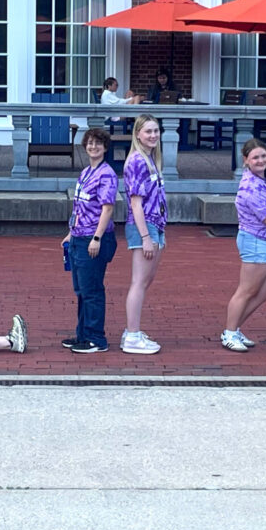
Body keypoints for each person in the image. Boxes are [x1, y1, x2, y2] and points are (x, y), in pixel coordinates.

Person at [220, 137, 266, 352]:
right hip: (256, 241)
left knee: (265, 291)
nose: (261, 160)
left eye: (263, 156)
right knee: (246, 290)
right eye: (255, 157)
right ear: (246, 160)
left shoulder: (262, 181)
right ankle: (229, 331)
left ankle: (234, 327)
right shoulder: (250, 187)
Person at [63, 126, 119, 353]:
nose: (93, 147)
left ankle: (97, 338)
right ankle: (83, 334)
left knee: (92, 290)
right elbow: (78, 206)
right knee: (81, 289)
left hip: (94, 238)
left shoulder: (107, 174)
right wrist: (70, 232)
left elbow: (107, 209)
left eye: (98, 143)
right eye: (90, 143)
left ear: (105, 147)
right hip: (79, 236)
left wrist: (96, 237)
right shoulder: (86, 172)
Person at [120, 113, 166, 355]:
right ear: (137, 134)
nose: (153, 135)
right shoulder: (137, 161)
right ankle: (133, 336)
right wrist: (146, 237)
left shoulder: (151, 159)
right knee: (139, 282)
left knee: (145, 281)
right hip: (144, 226)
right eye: (148, 131)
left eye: (156, 131)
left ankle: (132, 330)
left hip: (155, 224)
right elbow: (136, 204)